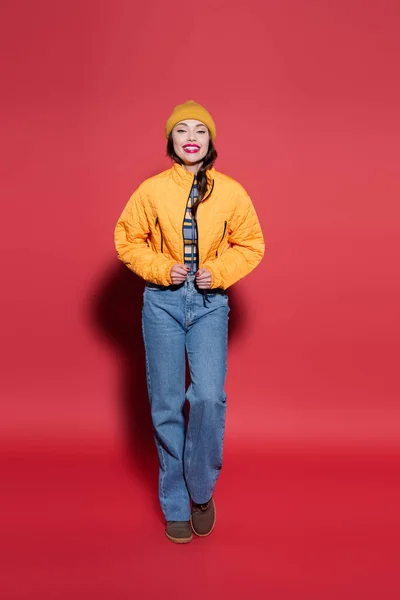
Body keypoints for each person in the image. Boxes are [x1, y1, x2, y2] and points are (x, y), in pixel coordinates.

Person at [114, 100, 264, 543]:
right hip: (161, 303)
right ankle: (176, 503)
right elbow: (127, 238)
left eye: (200, 129)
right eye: (182, 130)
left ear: (210, 141)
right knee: (164, 404)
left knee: (207, 397)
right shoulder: (151, 190)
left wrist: (216, 272)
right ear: (171, 141)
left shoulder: (232, 192)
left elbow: (251, 244)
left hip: (210, 303)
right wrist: (162, 267)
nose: (192, 137)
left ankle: (201, 491)